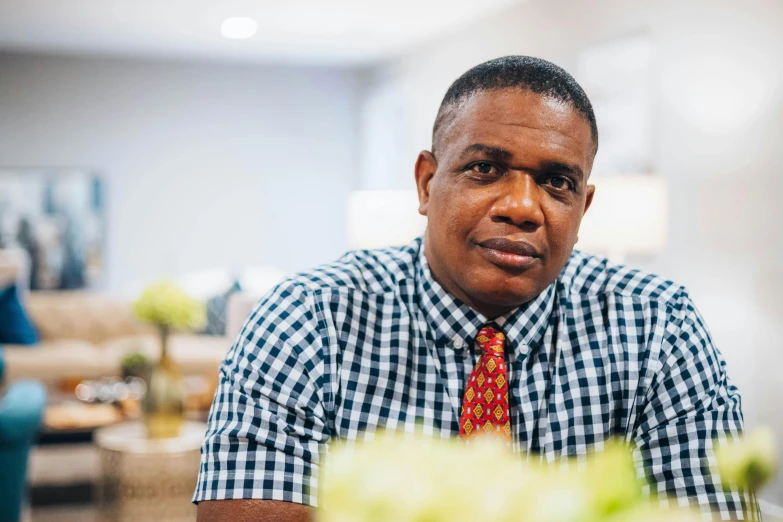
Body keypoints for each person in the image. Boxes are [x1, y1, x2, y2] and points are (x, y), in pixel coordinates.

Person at [195, 56, 754, 521]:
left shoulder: (657, 324)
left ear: (582, 209)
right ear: (425, 182)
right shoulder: (307, 319)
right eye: (485, 168)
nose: (521, 207)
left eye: (557, 182)